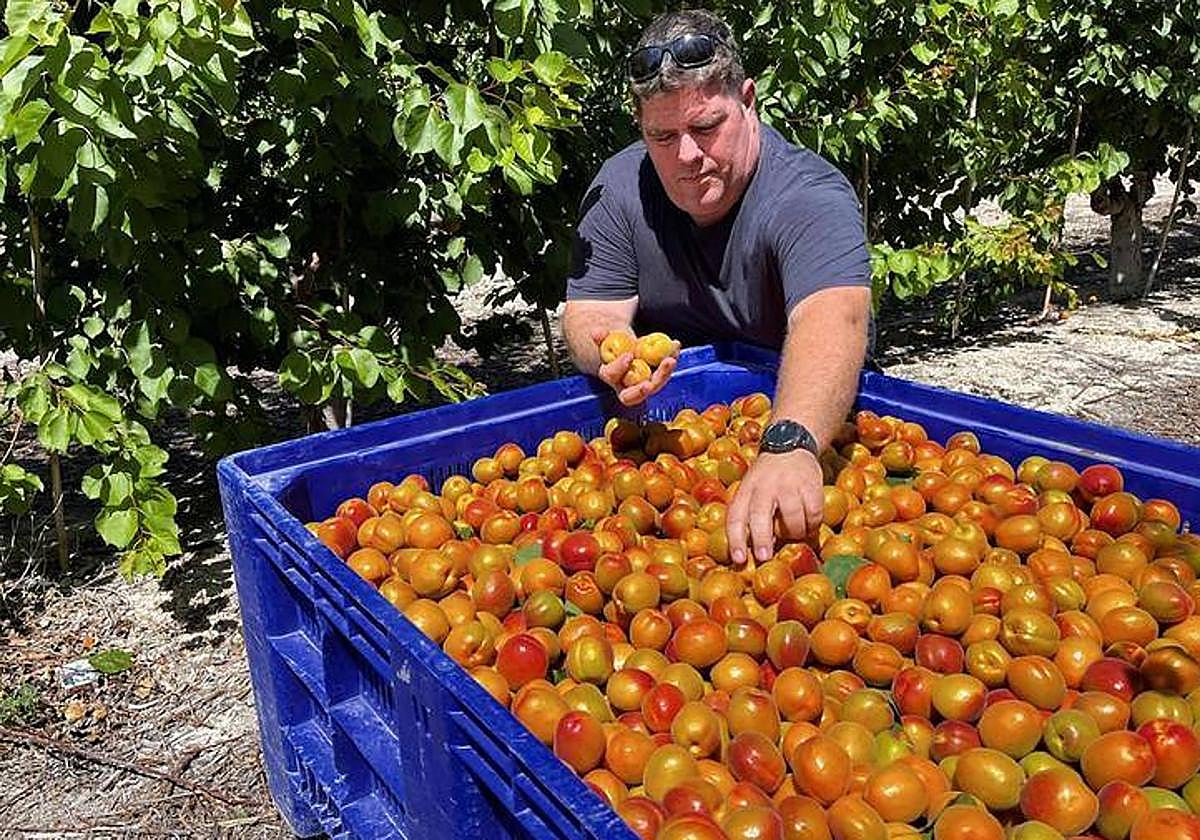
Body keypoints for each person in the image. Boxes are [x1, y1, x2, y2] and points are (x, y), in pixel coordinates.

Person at [560, 9, 873, 566]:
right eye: (662, 136)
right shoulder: (619, 189)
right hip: (676, 433)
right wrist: (613, 354)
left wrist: (790, 443)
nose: (686, 156)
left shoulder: (808, 196)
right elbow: (590, 314)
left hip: (799, 421)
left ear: (748, 101)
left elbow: (834, 317)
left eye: (706, 127)